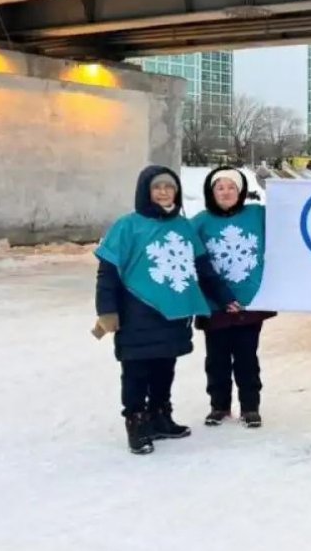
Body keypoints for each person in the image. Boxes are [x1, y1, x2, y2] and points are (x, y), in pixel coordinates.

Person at [94, 165, 240, 455]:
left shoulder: (183, 227)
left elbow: (203, 268)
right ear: (145, 191)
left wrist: (224, 297)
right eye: (157, 187)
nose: (163, 192)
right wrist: (107, 311)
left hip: (174, 311)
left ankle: (160, 416)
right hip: (137, 311)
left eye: (169, 187)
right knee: (136, 369)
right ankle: (136, 423)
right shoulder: (127, 225)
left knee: (165, 365)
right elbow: (107, 272)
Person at [191, 167, 276, 428]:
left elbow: (287, 212)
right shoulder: (200, 221)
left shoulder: (257, 215)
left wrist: (271, 185)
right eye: (220, 188)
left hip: (249, 300)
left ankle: (250, 406)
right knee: (216, 358)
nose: (226, 192)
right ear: (211, 193)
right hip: (214, 303)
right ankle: (219, 405)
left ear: (240, 192)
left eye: (231, 187)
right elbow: (184, 250)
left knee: (246, 355)